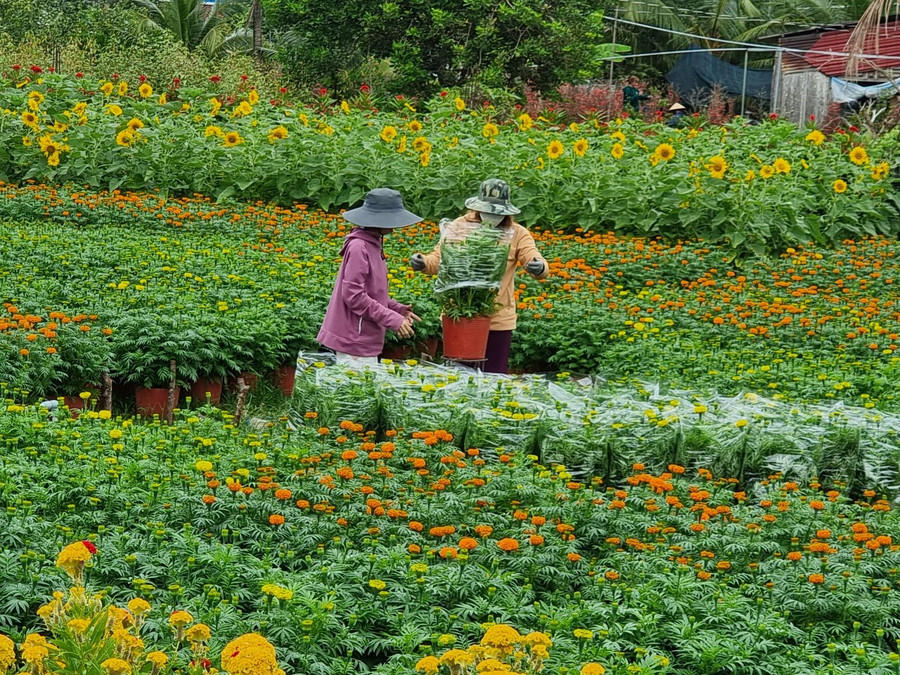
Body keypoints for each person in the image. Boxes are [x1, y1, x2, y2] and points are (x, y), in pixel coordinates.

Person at [409, 178, 549, 374]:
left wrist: (539, 267)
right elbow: (439, 258)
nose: (491, 216)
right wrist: (422, 262)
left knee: (493, 379)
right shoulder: (459, 226)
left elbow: (533, 257)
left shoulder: (517, 233)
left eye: (496, 213)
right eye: (487, 211)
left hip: (497, 320)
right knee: (458, 377)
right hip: (460, 315)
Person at [317, 188, 422, 366]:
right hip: (354, 340)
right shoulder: (359, 247)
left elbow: (372, 293)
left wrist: (396, 309)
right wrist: (392, 319)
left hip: (363, 337)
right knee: (358, 392)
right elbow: (354, 296)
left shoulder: (373, 244)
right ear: (380, 219)